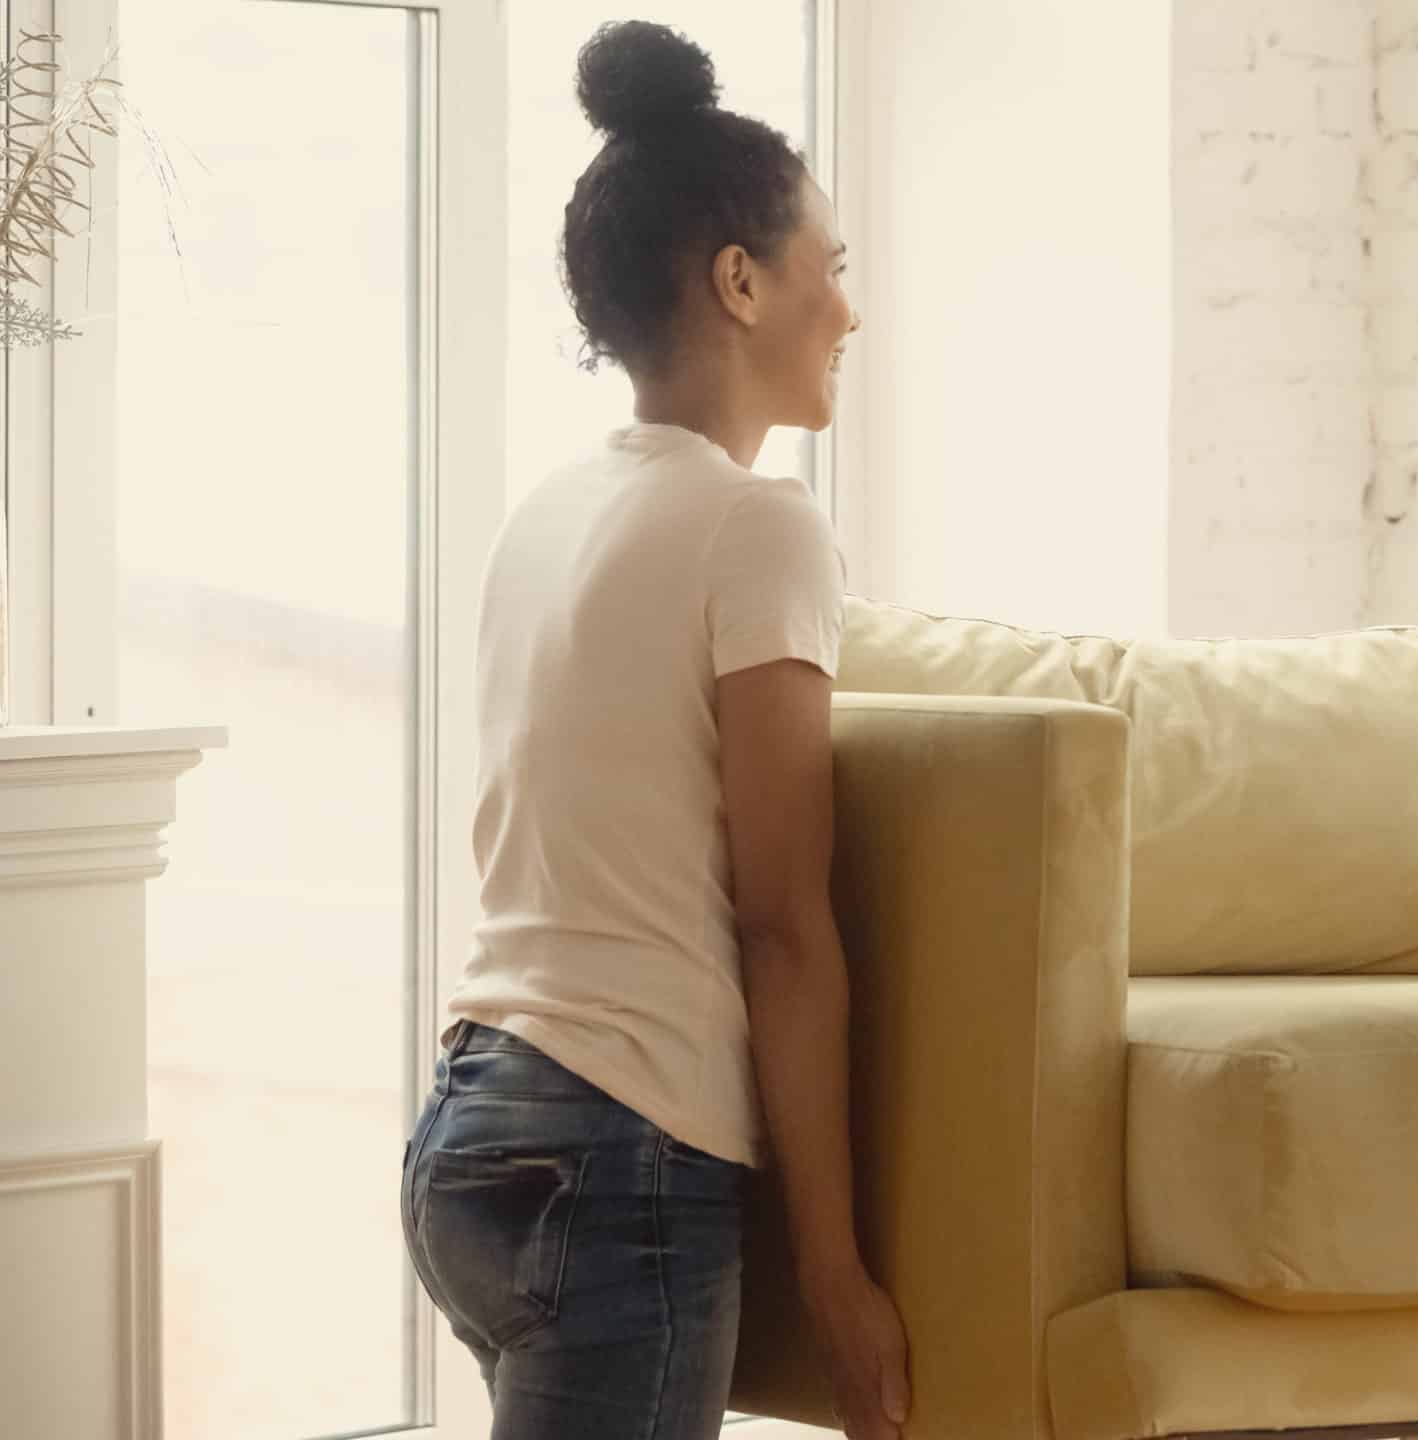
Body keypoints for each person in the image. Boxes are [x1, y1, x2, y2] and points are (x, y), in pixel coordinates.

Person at [399, 22, 905, 1440]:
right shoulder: (758, 526)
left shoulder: (549, 515)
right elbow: (783, 922)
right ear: (742, 283)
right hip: (615, 1158)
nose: (849, 314)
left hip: (470, 1132)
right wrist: (837, 1273)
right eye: (833, 269)